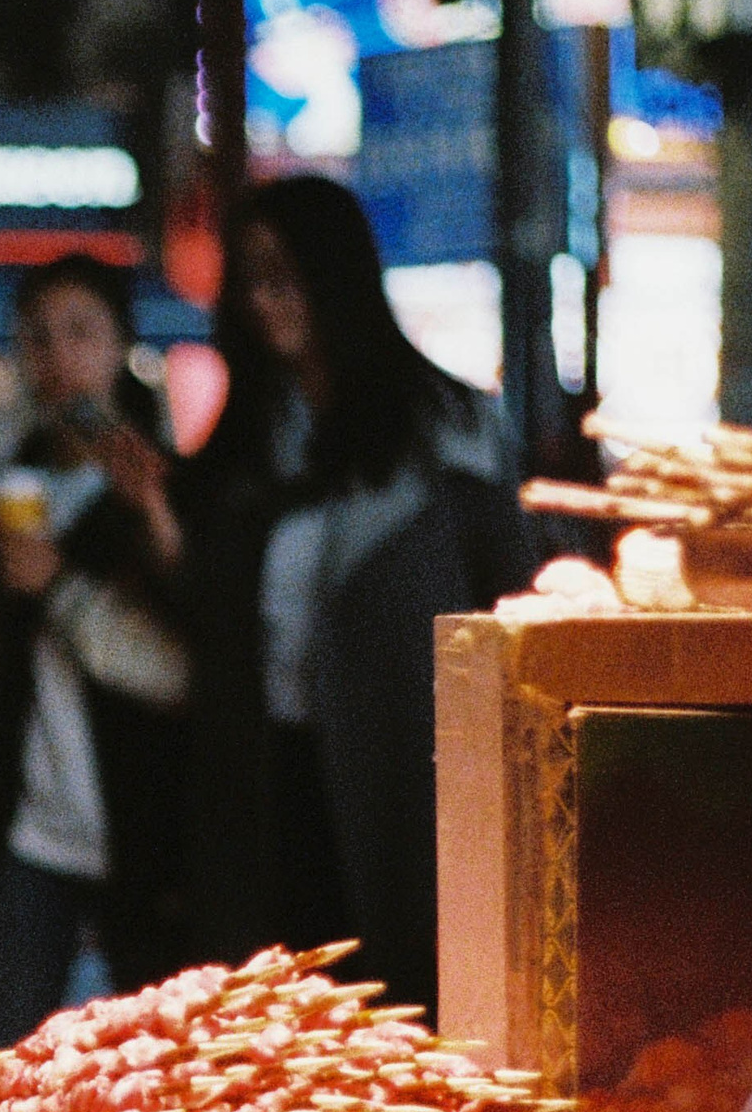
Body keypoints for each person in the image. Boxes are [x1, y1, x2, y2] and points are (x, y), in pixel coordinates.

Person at [187, 175, 534, 1008]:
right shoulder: (247, 442)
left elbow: (511, 599)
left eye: (286, 275)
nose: (266, 303)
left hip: (408, 776)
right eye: (250, 282)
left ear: (335, 276)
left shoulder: (446, 427)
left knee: (401, 1008)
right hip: (274, 774)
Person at [0, 255, 188, 1050]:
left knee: (160, 1064)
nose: (59, 359)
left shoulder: (161, 486)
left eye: (82, 333)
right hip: (34, 825)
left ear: (122, 346)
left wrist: (62, 581)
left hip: (147, 824)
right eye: (38, 339)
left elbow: (182, 661)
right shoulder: (10, 487)